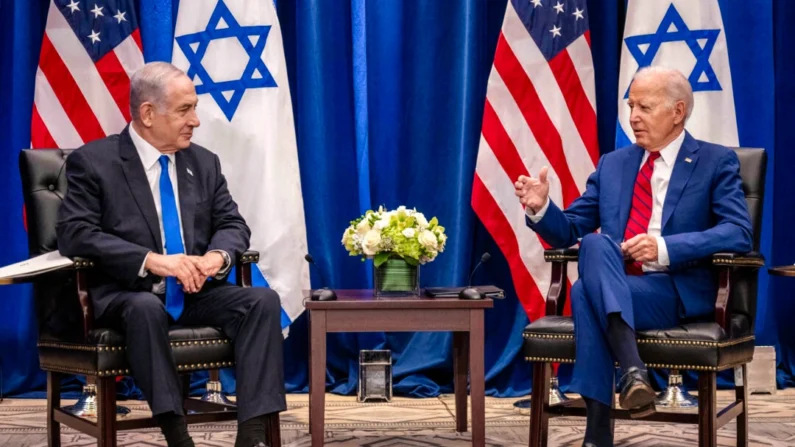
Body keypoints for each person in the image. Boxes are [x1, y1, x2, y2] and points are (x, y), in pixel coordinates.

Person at [514, 66, 753, 447]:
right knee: (593, 245)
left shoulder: (714, 161)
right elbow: (571, 227)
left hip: (672, 291)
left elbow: (738, 232)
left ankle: (598, 432)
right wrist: (541, 208)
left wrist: (664, 248)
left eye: (645, 107)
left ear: (677, 111)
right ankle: (633, 373)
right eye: (630, 106)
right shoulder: (615, 163)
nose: (633, 117)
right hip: (621, 282)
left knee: (582, 294)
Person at [56, 62, 284, 447]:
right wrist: (153, 260)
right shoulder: (95, 161)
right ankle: (177, 435)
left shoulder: (203, 162)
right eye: (184, 110)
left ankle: (252, 436)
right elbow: (75, 233)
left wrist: (216, 257)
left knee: (262, 301)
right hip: (126, 293)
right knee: (145, 308)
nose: (195, 121)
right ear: (147, 114)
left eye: (194, 108)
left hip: (193, 290)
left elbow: (233, 225)